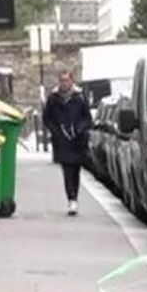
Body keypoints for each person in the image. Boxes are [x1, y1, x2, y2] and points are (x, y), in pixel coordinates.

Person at [43, 70, 92, 215]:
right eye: (61, 80)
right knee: (67, 170)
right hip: (62, 140)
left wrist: (80, 129)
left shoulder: (80, 97)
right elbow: (47, 118)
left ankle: (74, 197)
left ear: (72, 81)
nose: (64, 83)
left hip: (77, 140)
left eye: (66, 80)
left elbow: (87, 117)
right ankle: (71, 199)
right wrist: (56, 131)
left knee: (75, 170)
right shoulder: (53, 99)